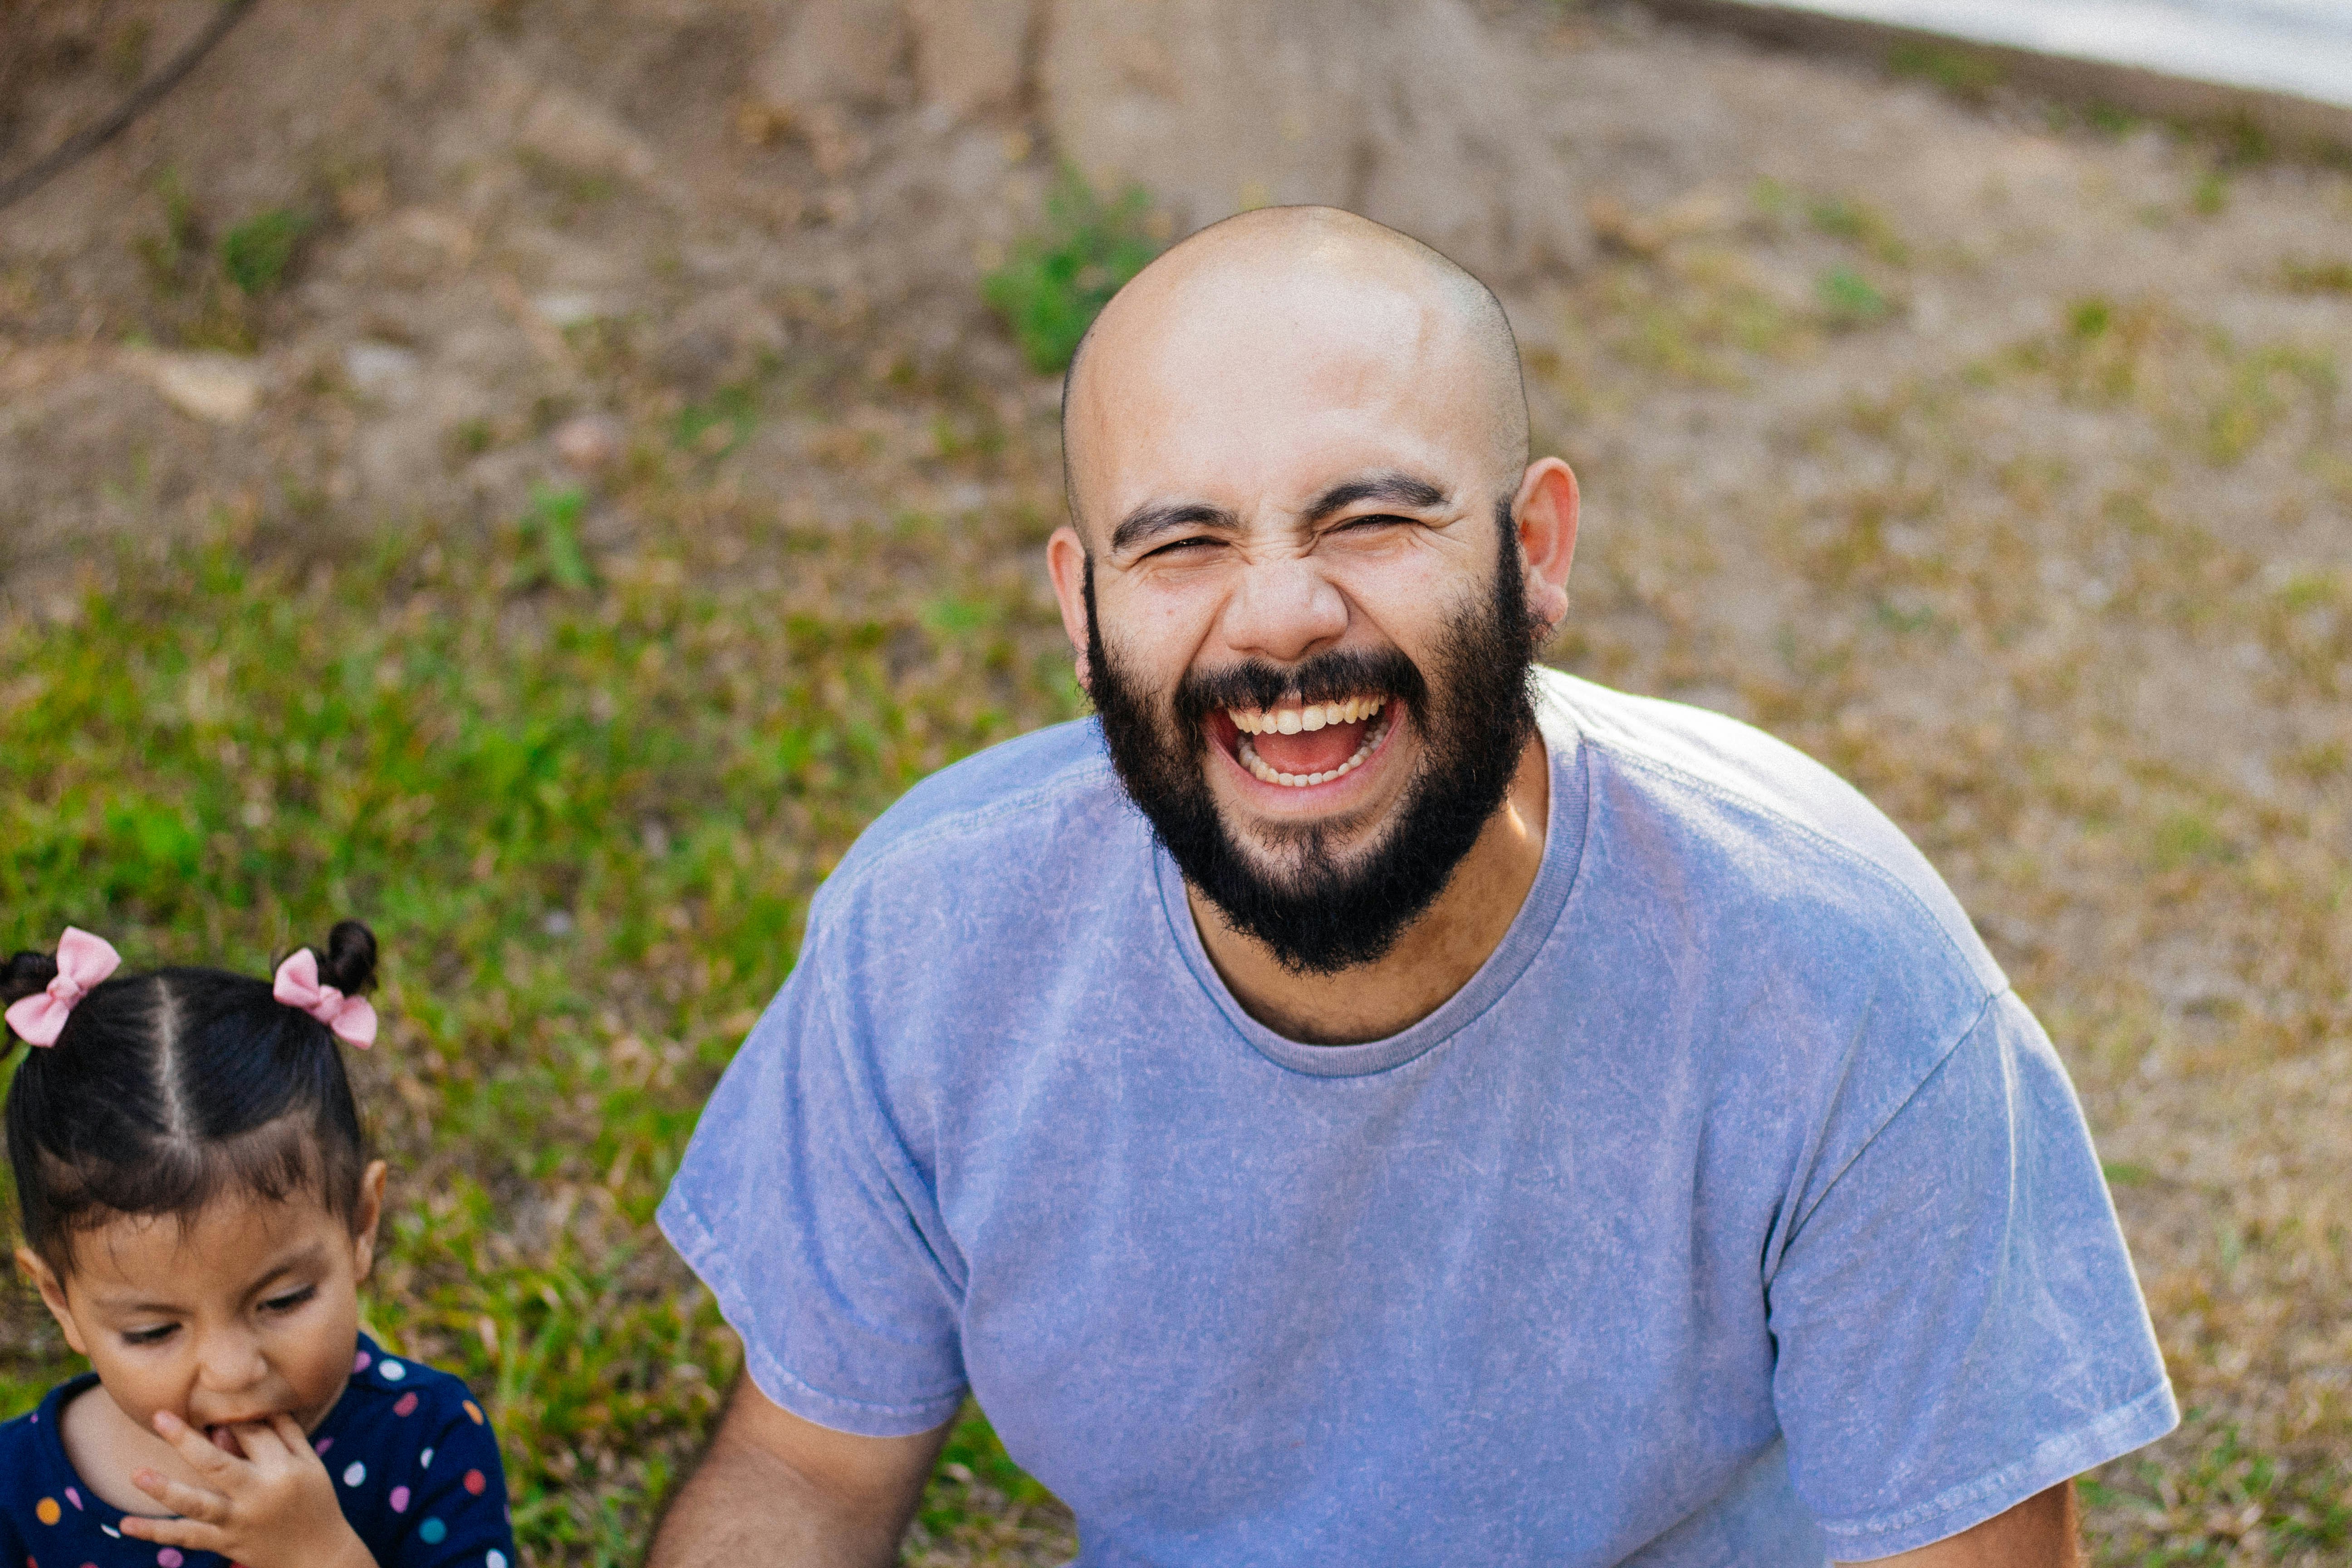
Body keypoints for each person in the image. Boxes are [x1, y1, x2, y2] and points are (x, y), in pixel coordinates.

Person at [649, 207, 2175, 1567]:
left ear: (1534, 547)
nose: (1282, 616)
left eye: (1369, 520)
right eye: (1180, 541)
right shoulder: (928, 941)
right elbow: (804, 1467)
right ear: (1081, 602)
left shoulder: (1837, 979)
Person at [0, 923, 515, 1568]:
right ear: (61, 1300)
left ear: (360, 1224)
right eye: (154, 1331)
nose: (232, 1370)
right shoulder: (16, 1491)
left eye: (283, 1300)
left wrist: (323, 1556)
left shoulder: (426, 1439)